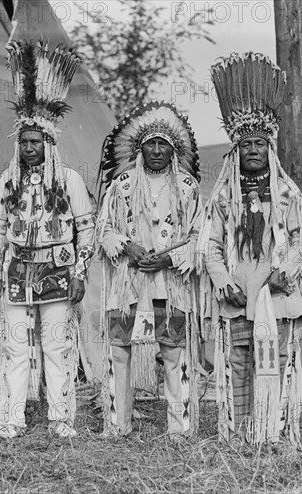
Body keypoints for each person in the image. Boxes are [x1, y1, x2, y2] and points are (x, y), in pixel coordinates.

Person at [197, 53, 302, 447]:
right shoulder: (223, 198)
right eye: (245, 143)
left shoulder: (286, 194)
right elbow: (211, 246)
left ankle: (276, 430)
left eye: (259, 143)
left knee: (278, 361)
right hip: (236, 294)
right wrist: (221, 280)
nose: (252, 149)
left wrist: (289, 270)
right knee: (237, 364)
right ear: (235, 150)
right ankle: (240, 431)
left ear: (269, 148)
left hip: (278, 295)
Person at [0, 40, 95, 439]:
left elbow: (86, 229)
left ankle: (62, 419)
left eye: (37, 142)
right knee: (14, 348)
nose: (30, 148)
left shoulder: (70, 181)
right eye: (25, 142)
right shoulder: (9, 180)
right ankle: (11, 420)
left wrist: (80, 272)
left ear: (49, 144)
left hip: (58, 270)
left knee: (56, 347)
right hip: (17, 272)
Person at [97, 101, 202, 438]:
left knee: (173, 352)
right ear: (140, 147)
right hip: (128, 283)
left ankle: (180, 429)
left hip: (169, 287)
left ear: (174, 149)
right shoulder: (122, 185)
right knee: (119, 350)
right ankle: (118, 425)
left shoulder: (188, 188)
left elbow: (200, 236)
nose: (157, 150)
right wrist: (128, 247)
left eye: (163, 144)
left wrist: (169, 259)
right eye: (151, 143)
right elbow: (104, 229)